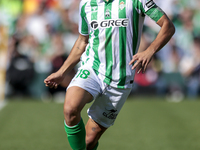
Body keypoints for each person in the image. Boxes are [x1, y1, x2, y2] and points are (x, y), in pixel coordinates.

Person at [44, 0, 175, 149]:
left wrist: (150, 50)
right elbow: (82, 41)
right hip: (92, 68)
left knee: (89, 141)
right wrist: (62, 72)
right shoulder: (86, 4)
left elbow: (167, 25)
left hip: (120, 78)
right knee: (70, 109)